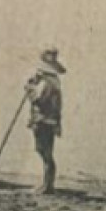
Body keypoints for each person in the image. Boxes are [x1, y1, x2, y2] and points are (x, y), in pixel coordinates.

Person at [25, 48, 67, 194]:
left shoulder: (46, 82)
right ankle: (48, 184)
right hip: (50, 120)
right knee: (45, 151)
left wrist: (29, 88)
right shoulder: (53, 81)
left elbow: (38, 99)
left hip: (43, 120)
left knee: (44, 152)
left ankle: (47, 185)